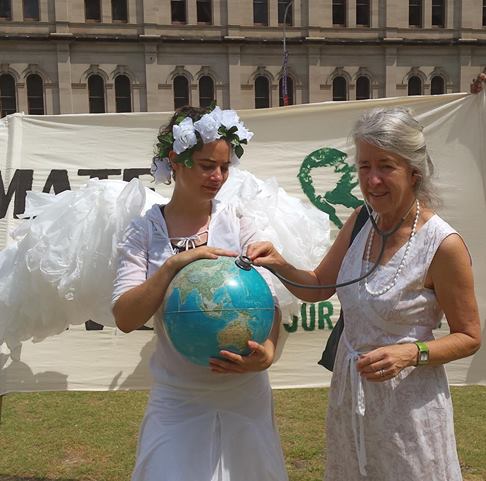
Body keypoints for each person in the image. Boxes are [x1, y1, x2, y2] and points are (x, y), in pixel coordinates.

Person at [247, 107, 481, 480]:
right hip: (349, 400)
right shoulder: (360, 220)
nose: (372, 180)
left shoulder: (443, 245)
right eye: (364, 166)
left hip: (410, 411)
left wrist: (410, 353)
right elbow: (318, 286)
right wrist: (279, 263)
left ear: (413, 171)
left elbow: (469, 337)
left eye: (385, 166)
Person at [111, 105, 289, 481]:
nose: (218, 176)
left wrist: (267, 353)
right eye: (208, 165)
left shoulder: (239, 220)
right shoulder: (143, 231)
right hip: (177, 398)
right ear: (176, 161)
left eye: (224, 167)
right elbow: (125, 317)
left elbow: (269, 300)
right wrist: (175, 265)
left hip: (245, 394)